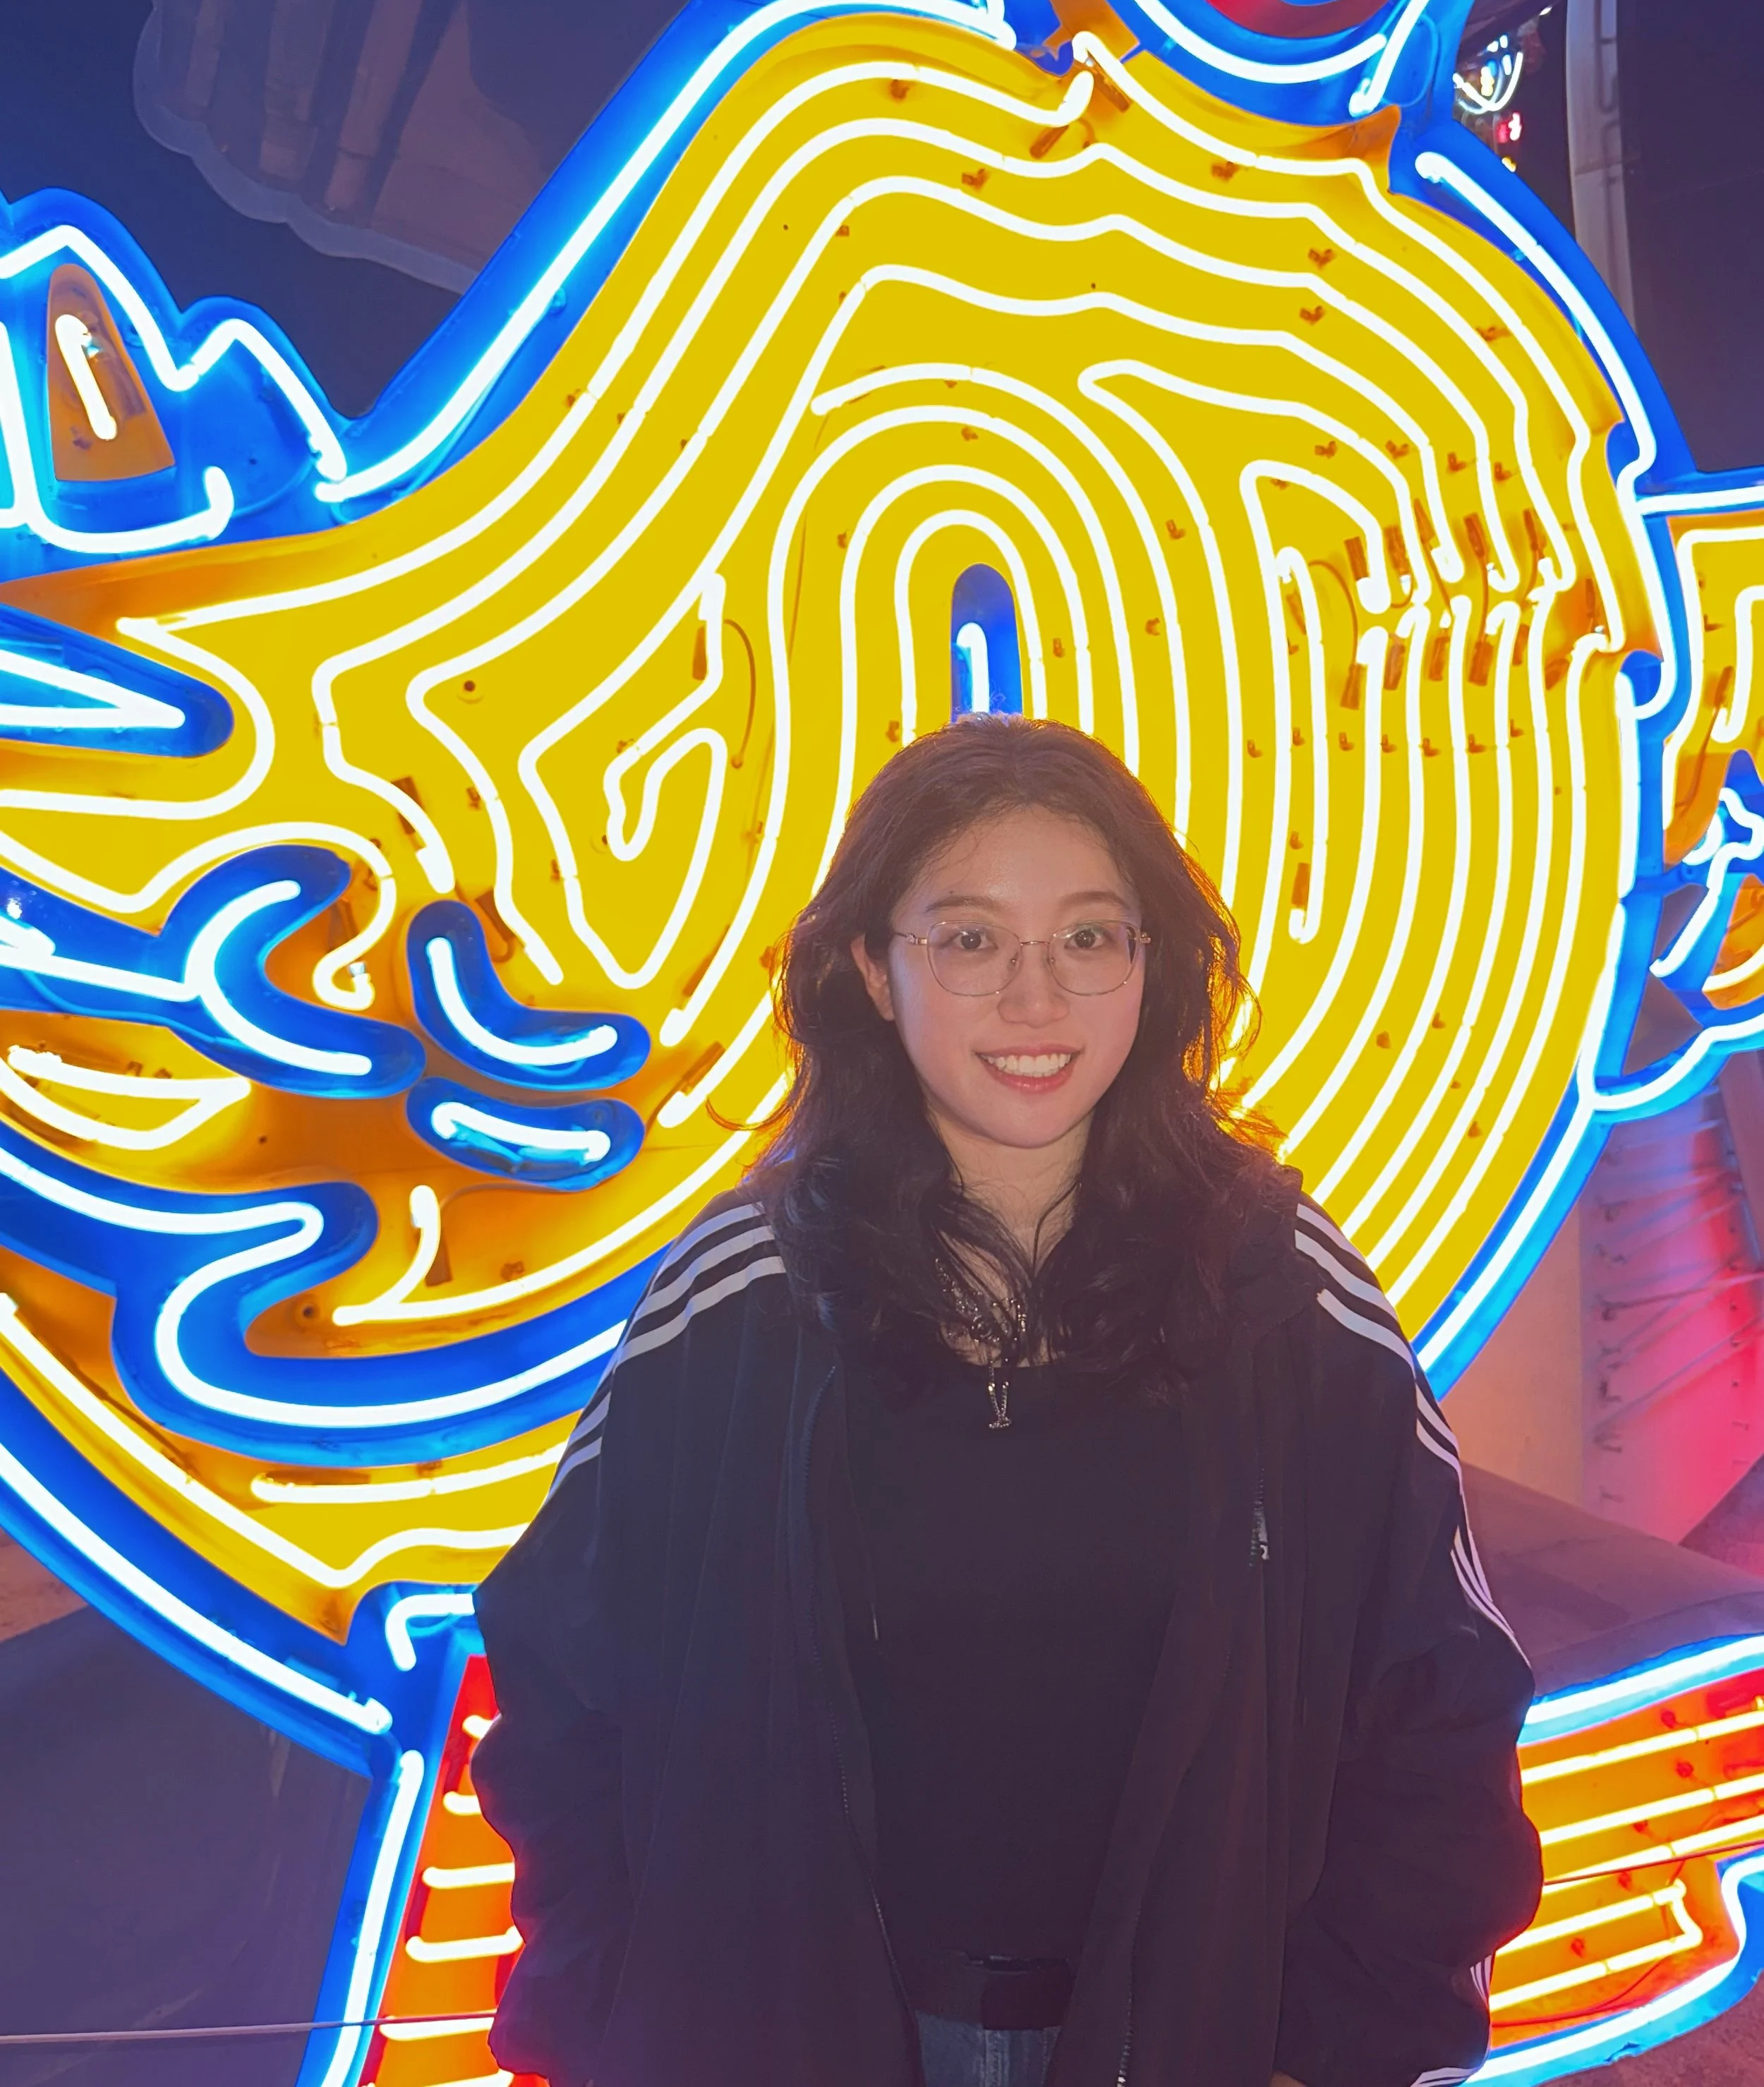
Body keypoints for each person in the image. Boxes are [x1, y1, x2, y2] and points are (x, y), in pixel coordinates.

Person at [473, 716, 1541, 2087]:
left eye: (1089, 937)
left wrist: (1337, 2050)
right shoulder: (737, 1298)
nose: (1035, 1001)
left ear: (1148, 967)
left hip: (1190, 2042)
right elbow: (565, 1682)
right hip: (799, 2037)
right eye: (969, 939)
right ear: (870, 967)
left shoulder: (1280, 1292)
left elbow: (1436, 1701)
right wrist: (613, 2018)